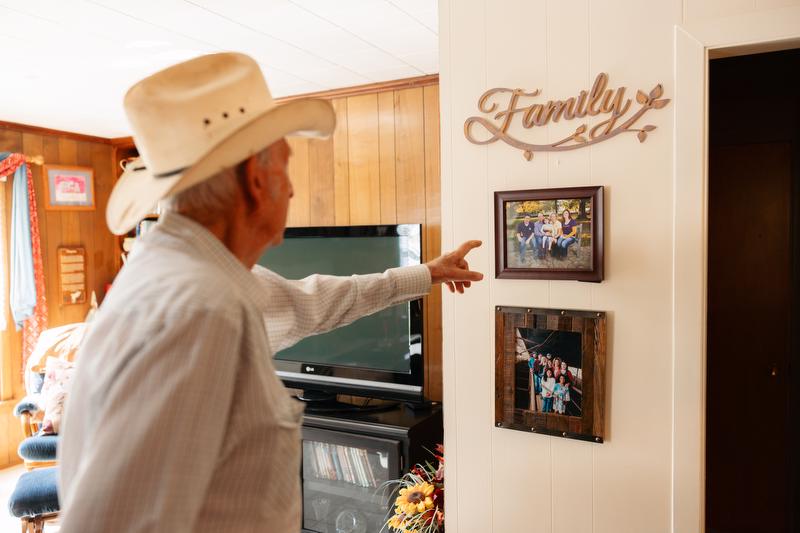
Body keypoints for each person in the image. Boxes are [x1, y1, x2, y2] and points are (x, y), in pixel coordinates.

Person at [58, 53, 484, 533]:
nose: (294, 191)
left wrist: (426, 274)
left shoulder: (205, 278)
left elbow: (317, 301)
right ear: (256, 181)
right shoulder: (196, 310)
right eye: (286, 167)